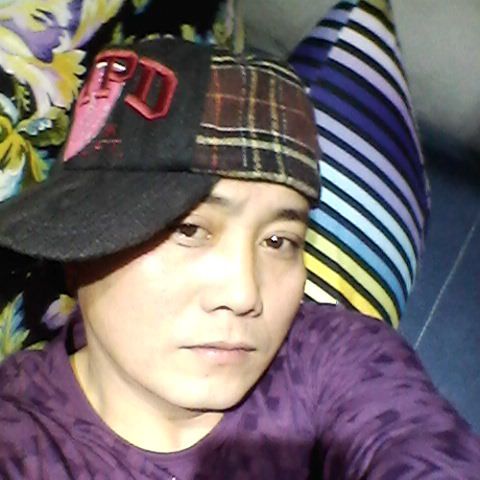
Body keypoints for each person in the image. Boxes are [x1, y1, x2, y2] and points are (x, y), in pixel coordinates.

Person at [0, 37, 479, 479]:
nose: (244, 293)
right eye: (189, 229)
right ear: (78, 249)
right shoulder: (19, 436)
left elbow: (417, 444)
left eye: (278, 241)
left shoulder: (335, 356)